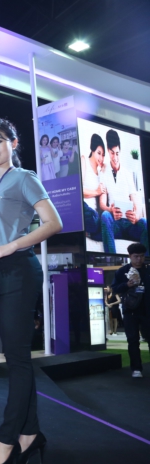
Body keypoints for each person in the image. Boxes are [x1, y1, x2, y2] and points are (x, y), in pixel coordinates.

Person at [0, 119, 62, 464]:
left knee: (18, 360)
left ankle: (7, 438)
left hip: (20, 270)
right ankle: (30, 434)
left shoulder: (24, 178)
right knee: (15, 356)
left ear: (13, 142)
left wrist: (10, 245)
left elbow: (52, 223)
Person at [97, 129, 149, 253]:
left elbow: (136, 202)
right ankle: (112, 257)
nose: (115, 157)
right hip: (115, 223)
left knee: (144, 222)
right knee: (105, 216)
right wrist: (110, 210)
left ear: (120, 151)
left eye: (117, 153)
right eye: (112, 153)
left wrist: (136, 216)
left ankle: (146, 260)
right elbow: (102, 203)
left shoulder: (127, 174)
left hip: (129, 224)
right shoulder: (103, 172)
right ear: (108, 151)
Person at [112, 243, 150, 378]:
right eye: (136, 256)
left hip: (147, 310)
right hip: (130, 310)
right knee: (133, 340)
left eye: (141, 256)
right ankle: (136, 368)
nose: (139, 259)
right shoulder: (122, 271)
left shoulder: (148, 270)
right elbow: (115, 288)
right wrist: (126, 284)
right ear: (130, 256)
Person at [82, 134, 107, 245]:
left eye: (103, 155)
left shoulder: (101, 172)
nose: (101, 158)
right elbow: (79, 190)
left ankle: (92, 232)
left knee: (102, 221)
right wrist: (96, 192)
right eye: (98, 153)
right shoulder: (84, 160)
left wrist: (104, 173)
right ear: (92, 150)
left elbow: (102, 200)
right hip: (85, 210)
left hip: (95, 215)